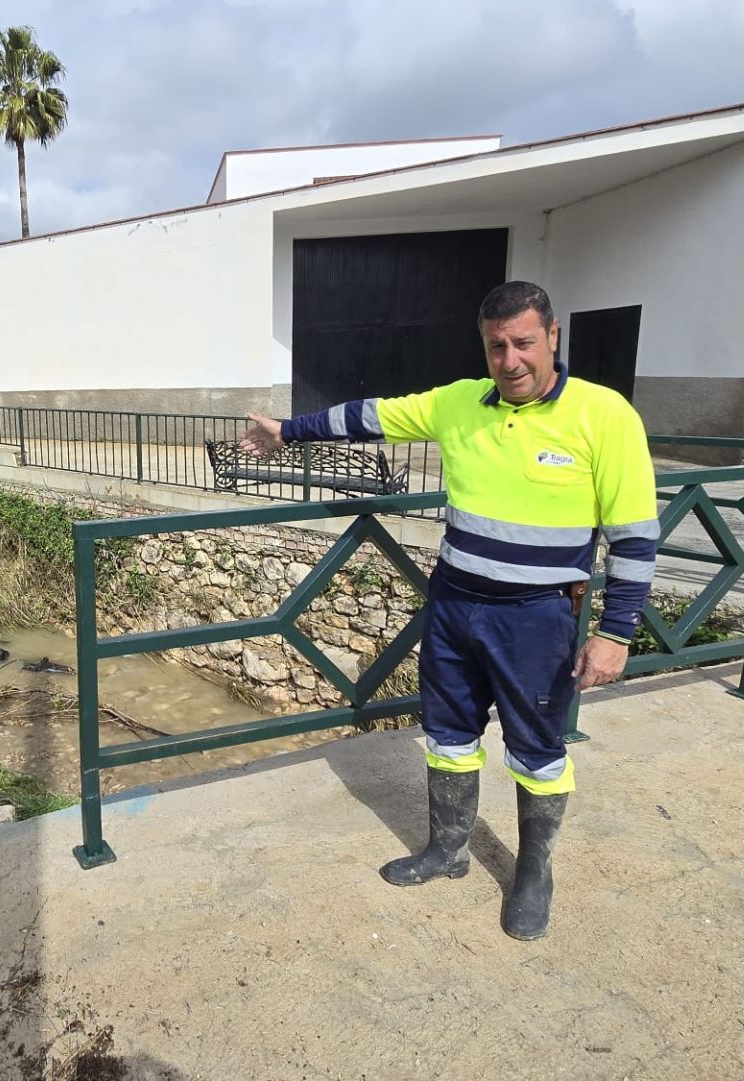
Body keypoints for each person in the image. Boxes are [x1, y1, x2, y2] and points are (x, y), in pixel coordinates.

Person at [239, 281, 657, 940]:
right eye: (497, 346)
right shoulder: (460, 402)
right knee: (449, 733)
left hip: (537, 616)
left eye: (523, 342)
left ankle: (534, 871)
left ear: (553, 337)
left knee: (537, 749)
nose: (510, 358)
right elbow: (373, 415)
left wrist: (616, 633)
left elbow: (634, 536)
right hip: (457, 604)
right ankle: (448, 849)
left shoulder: (605, 416)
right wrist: (290, 430)